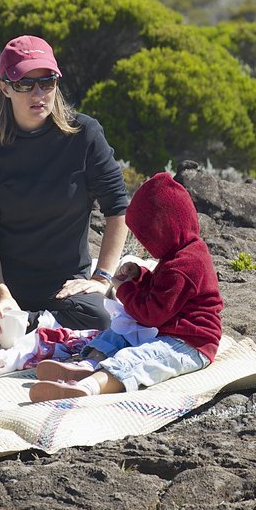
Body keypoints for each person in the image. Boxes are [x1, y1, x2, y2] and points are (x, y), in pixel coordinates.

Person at [0, 34, 129, 341]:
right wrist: (0, 293)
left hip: (63, 284)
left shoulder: (85, 135)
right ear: (5, 87)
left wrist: (101, 278)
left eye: (47, 82)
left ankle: (16, 322)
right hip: (0, 279)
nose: (38, 93)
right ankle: (7, 316)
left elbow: (118, 208)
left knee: (97, 318)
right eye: (24, 84)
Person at [28, 171, 223, 402]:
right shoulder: (180, 254)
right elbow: (162, 290)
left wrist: (123, 289)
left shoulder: (185, 264)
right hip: (168, 328)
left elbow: (151, 313)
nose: (146, 245)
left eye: (148, 237)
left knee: (142, 359)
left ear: (164, 228)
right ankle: (89, 364)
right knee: (118, 334)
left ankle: (91, 385)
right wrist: (139, 276)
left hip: (191, 343)